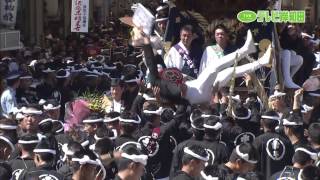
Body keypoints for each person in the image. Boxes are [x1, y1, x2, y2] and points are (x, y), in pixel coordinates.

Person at [132, 27, 271, 105]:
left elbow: (151, 61)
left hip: (196, 86)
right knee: (213, 68)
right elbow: (173, 100)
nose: (159, 69)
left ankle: (261, 62)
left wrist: (146, 43)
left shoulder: (160, 74)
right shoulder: (158, 86)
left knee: (226, 72)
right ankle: (245, 50)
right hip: (194, 95)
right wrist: (179, 90)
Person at [253, 110, 294, 179]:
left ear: (262, 122)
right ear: (277, 123)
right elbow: (291, 164)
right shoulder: (286, 141)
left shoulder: (257, 141)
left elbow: (253, 164)